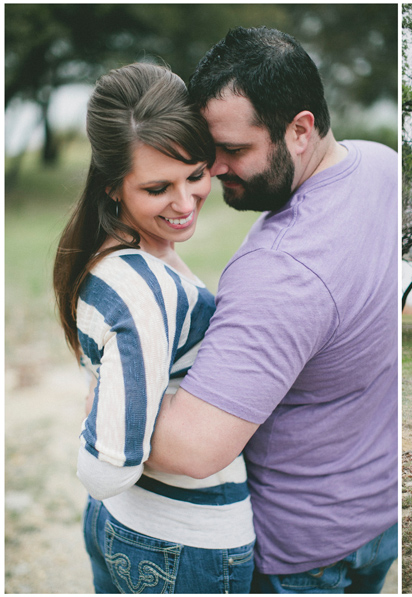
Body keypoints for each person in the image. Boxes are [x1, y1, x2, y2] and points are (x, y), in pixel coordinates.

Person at [145, 27, 398, 593]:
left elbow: (192, 449)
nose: (213, 170)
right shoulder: (381, 166)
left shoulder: (280, 269)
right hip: (379, 515)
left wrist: (99, 406)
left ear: (300, 130)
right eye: (210, 150)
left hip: (302, 557)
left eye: (235, 151)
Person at [53, 63, 255, 593]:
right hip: (182, 547)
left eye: (195, 175)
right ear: (112, 187)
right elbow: (106, 468)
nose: (186, 203)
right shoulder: (137, 285)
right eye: (158, 188)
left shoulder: (118, 256)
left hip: (132, 526)